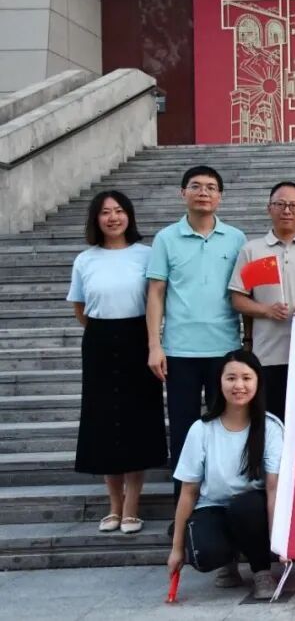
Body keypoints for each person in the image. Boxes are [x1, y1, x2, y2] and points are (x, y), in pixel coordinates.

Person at [67, 190, 166, 535]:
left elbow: (156, 299)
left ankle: (132, 506)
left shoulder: (147, 255)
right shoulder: (85, 260)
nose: (113, 217)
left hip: (138, 339)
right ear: (96, 219)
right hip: (99, 341)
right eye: (106, 212)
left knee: (137, 418)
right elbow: (80, 308)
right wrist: (104, 331)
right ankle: (113, 505)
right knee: (104, 421)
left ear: (129, 216)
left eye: (119, 211)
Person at [146, 165, 246, 502]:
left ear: (220, 196)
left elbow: (244, 293)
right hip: (180, 352)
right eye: (196, 186)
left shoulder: (236, 238)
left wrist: (246, 343)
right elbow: (156, 292)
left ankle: (222, 502)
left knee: (227, 428)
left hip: (225, 350)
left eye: (211, 187)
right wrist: (154, 345)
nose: (203, 192)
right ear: (183, 193)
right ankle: (183, 508)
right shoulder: (166, 238)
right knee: (184, 430)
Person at [167, 350, 284, 601]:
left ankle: (261, 571)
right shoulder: (201, 429)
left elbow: (274, 488)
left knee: (246, 507)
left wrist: (279, 542)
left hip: (252, 508)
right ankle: (226, 561)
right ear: (220, 383)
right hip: (213, 506)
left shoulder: (271, 428)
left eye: (246, 378)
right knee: (204, 554)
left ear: (258, 382)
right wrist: (176, 549)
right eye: (231, 378)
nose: (238, 385)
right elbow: (188, 491)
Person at [229, 182, 295, 421]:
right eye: (280, 204)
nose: (287, 210)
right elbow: (238, 299)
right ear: (269, 208)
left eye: (294, 205)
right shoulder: (253, 250)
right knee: (270, 421)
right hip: (267, 354)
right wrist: (266, 310)